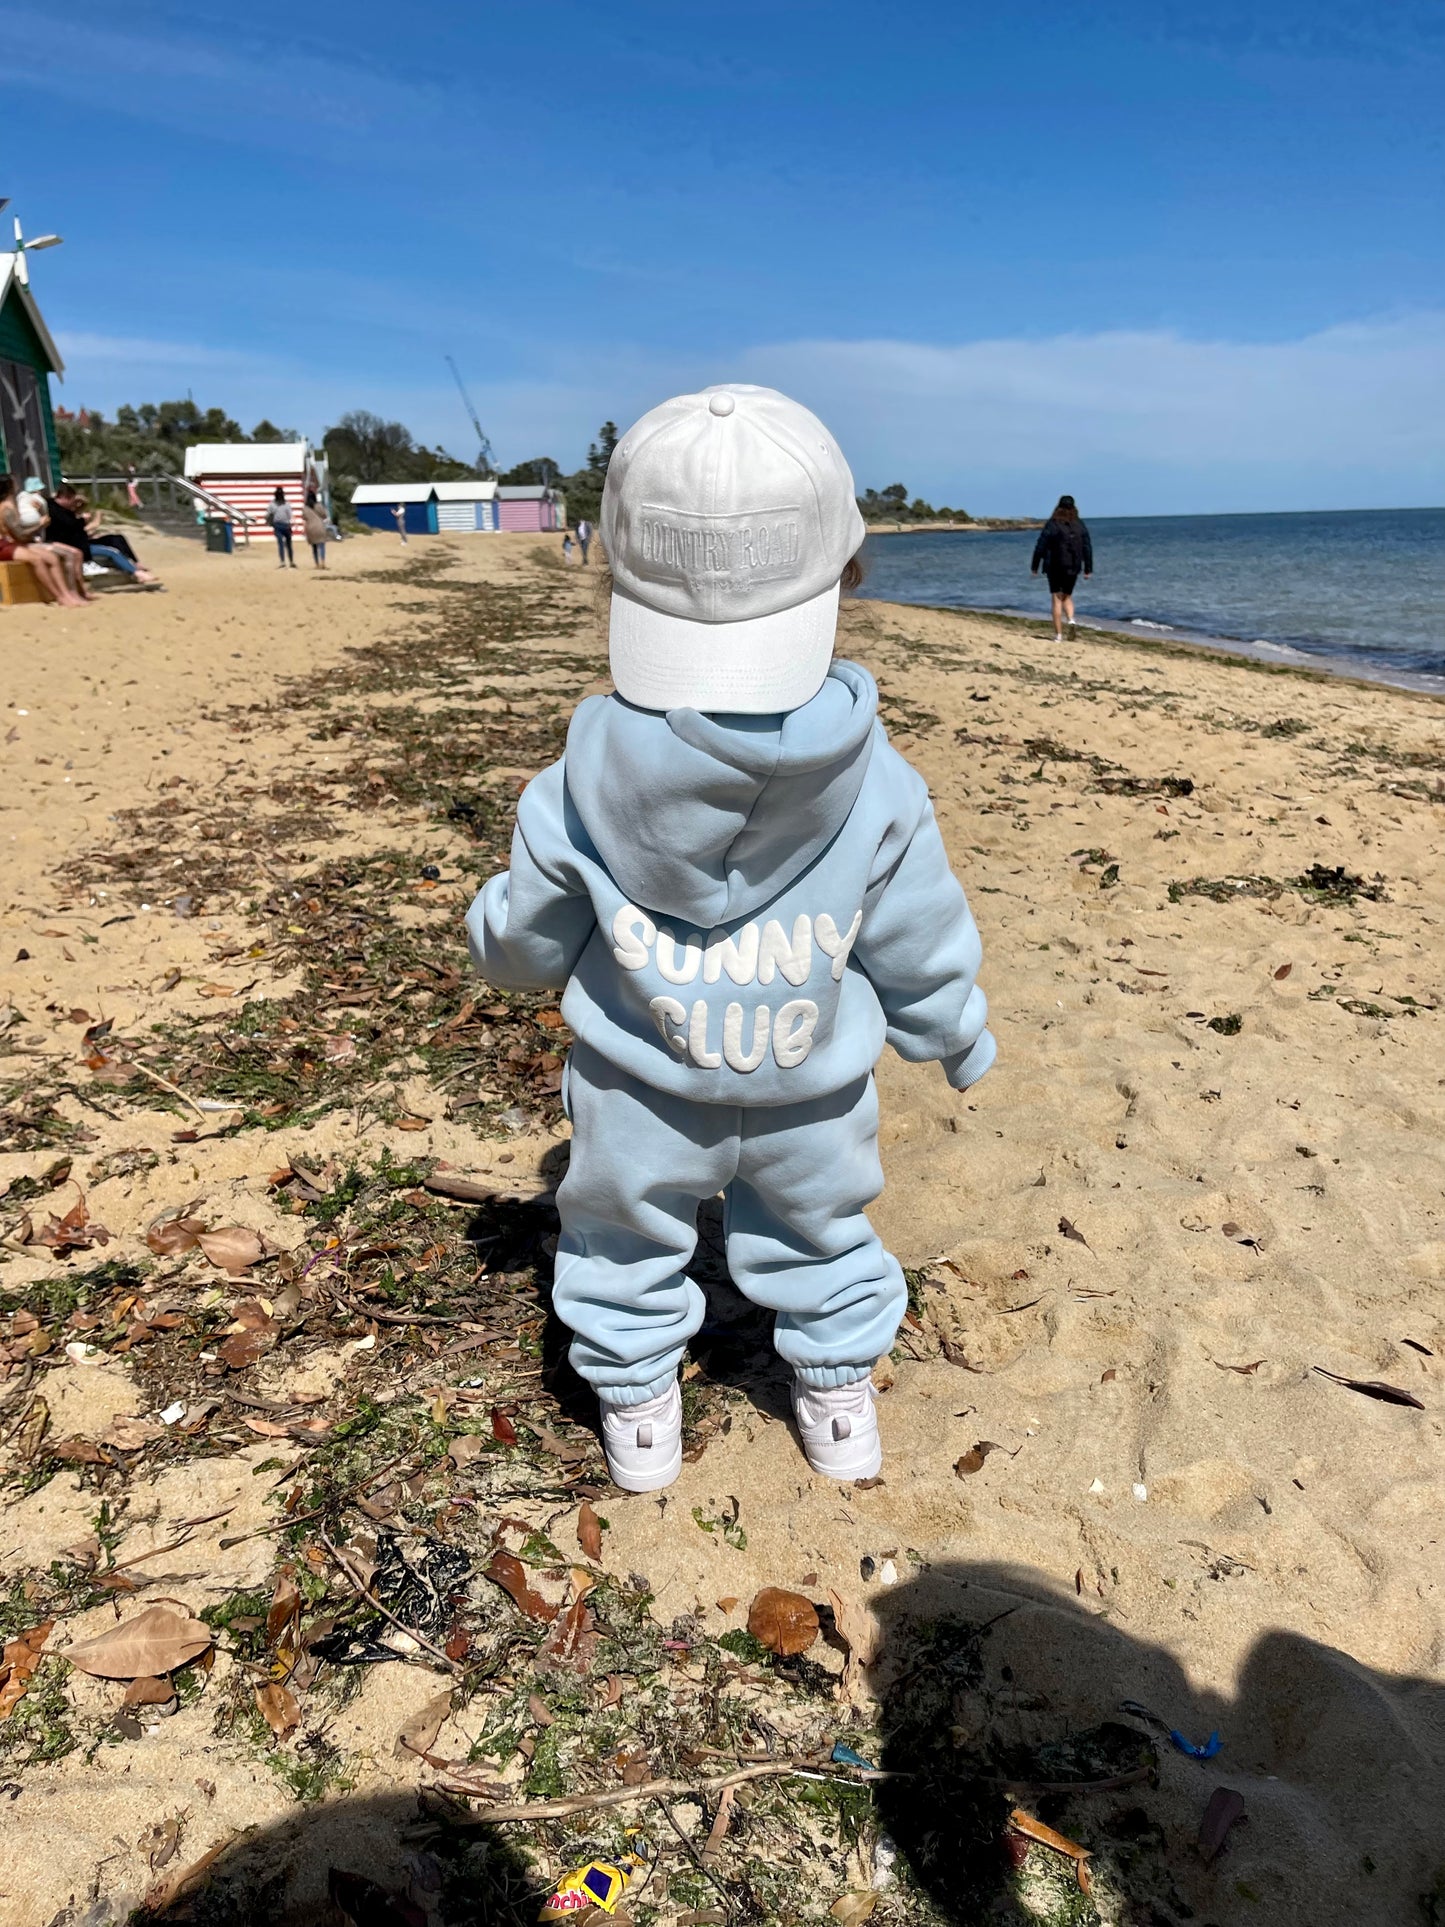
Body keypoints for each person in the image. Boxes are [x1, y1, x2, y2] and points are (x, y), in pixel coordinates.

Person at [466, 385, 994, 1492]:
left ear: (617, 569)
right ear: (842, 576)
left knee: (618, 1234)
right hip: (809, 1087)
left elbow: (524, 938)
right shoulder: (877, 782)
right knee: (822, 1232)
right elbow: (916, 926)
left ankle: (637, 1401)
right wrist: (950, 1026)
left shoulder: (576, 785)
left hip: (636, 1094)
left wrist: (490, 931)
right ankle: (837, 1394)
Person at [48, 485, 161, 586]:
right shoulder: (56, 511)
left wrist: (82, 508)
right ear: (65, 497)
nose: (73, 504)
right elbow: (73, 526)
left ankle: (135, 566)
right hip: (76, 544)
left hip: (81, 541)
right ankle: (137, 573)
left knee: (116, 540)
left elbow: (75, 524)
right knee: (111, 551)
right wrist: (91, 521)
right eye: (72, 500)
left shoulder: (62, 509)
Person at [0, 476, 87, 605]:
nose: (17, 482)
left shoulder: (13, 504)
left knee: (59, 556)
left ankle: (67, 594)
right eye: (14, 482)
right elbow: (20, 535)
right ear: (10, 487)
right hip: (11, 544)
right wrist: (40, 524)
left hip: (19, 542)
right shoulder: (6, 509)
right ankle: (61, 596)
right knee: (43, 559)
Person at [1030, 494, 1093, 643]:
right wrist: (1088, 568)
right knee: (1067, 596)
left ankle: (1058, 635)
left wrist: (1034, 565)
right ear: (1074, 508)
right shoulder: (1080, 525)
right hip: (1073, 566)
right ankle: (1071, 619)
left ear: (1058, 507)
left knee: (1057, 598)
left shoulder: (1053, 524)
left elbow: (1041, 545)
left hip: (1055, 566)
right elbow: (1087, 547)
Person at [267, 487, 295, 567]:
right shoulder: (273, 504)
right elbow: (269, 514)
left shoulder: (285, 504)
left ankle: (290, 561)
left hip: (285, 525)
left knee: (287, 544)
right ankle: (285, 561)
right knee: (282, 544)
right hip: (279, 525)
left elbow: (290, 515)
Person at [302, 496, 328, 568]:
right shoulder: (319, 506)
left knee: (314, 547)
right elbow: (324, 515)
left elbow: (304, 517)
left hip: (310, 528)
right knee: (322, 545)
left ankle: (317, 564)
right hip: (319, 527)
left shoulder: (305, 508)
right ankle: (323, 562)